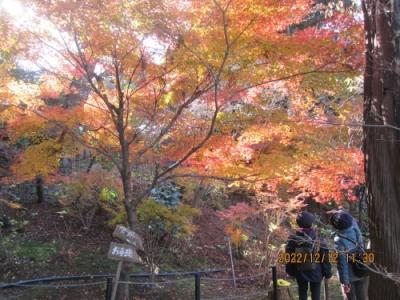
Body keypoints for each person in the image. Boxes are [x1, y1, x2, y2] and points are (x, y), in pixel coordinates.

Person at [285, 211, 332, 300]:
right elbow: (325, 257)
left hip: (299, 271)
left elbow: (289, 257)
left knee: (302, 294)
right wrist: (327, 273)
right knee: (316, 295)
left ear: (298, 223)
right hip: (316, 271)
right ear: (311, 223)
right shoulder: (318, 238)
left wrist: (290, 271)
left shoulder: (293, 238)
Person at [331, 211, 369, 300]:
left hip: (349, 276)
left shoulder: (339, 239)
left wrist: (345, 282)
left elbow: (342, 262)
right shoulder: (355, 230)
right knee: (363, 297)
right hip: (362, 269)